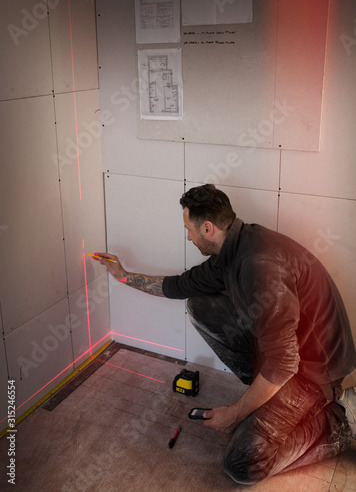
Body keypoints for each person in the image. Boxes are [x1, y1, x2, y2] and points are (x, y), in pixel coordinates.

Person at [96, 184, 356, 485]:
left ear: (207, 228)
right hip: (288, 356)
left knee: (242, 463)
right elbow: (179, 286)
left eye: (189, 230)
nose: (189, 237)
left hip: (315, 373)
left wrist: (235, 413)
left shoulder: (260, 266)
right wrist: (123, 275)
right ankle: (267, 396)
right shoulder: (232, 251)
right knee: (201, 305)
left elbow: (284, 364)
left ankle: (340, 419)